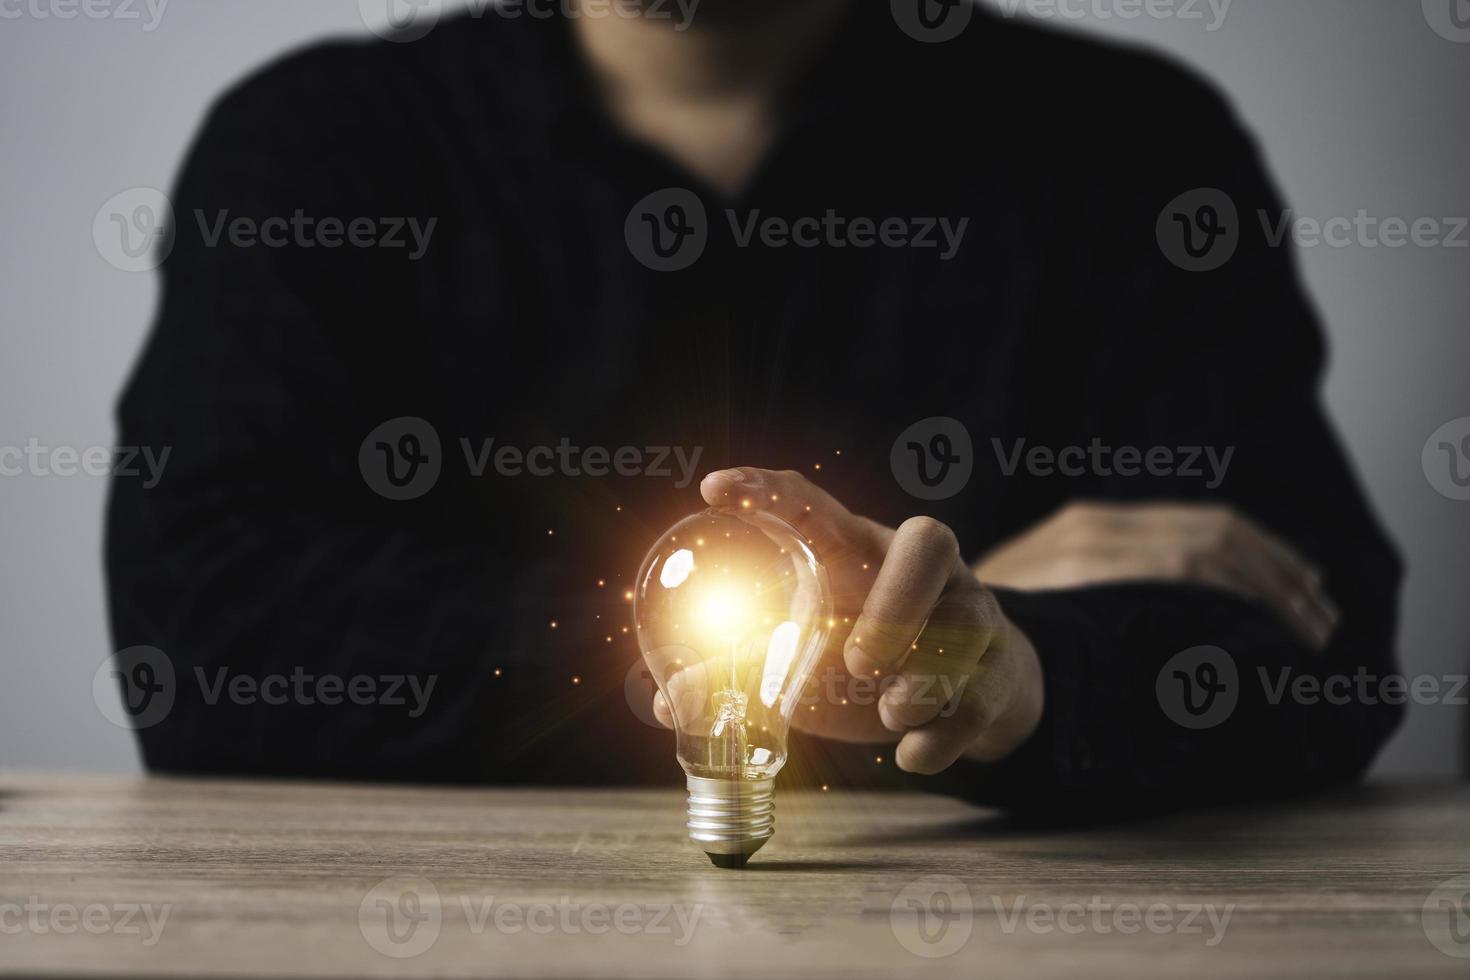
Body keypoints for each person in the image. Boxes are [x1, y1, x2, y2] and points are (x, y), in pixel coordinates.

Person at [106, 0, 1402, 814]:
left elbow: (1315, 640)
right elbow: (213, 639)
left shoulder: (1128, 144)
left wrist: (1016, 668)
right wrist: (848, 654)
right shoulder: (316, 144)